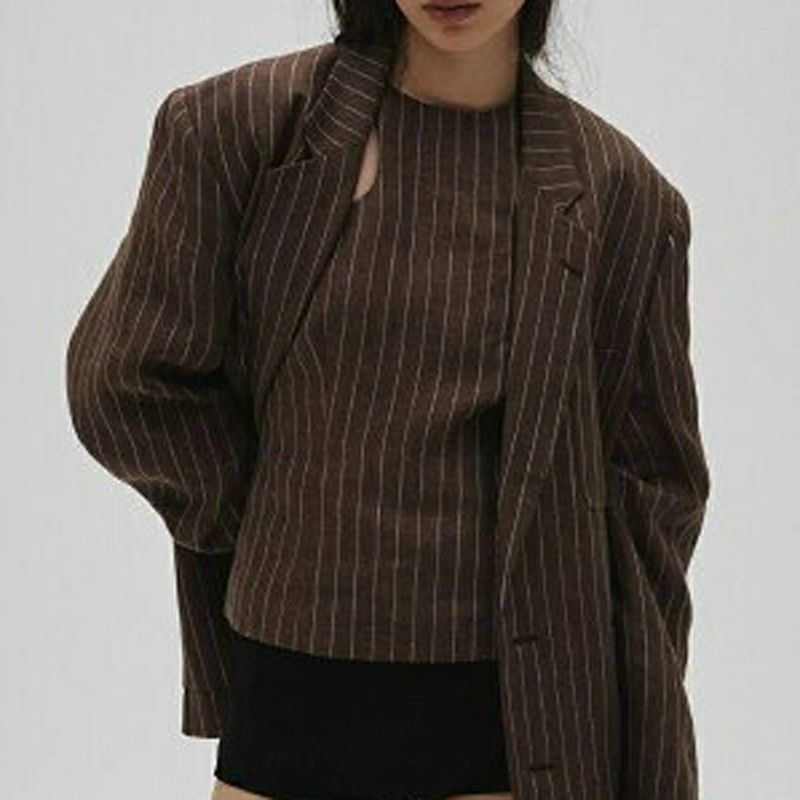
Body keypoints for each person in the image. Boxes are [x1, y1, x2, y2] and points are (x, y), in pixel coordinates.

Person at [65, 2, 711, 800]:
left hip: (510, 715)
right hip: (292, 685)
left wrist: (648, 754)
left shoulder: (626, 200)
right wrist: (271, 520)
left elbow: (655, 500)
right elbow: (125, 380)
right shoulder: (237, 128)